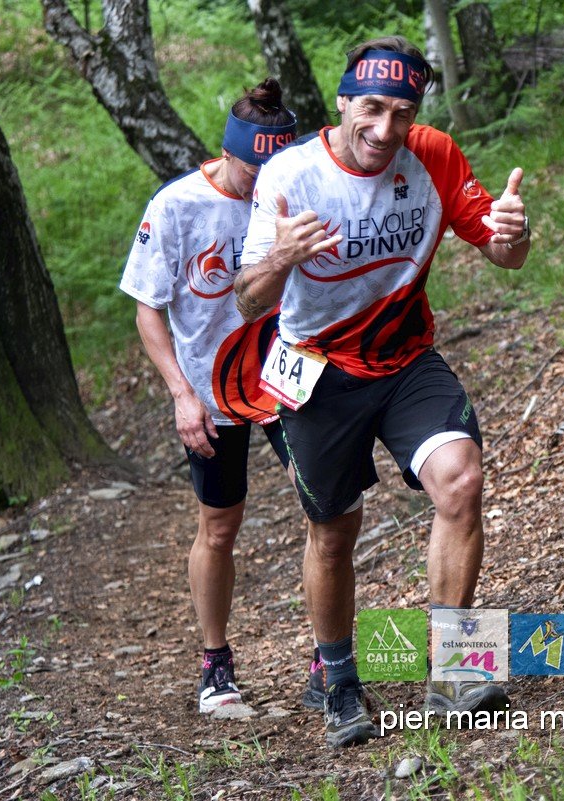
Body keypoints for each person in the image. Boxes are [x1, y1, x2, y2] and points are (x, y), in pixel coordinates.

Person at [233, 36, 530, 747]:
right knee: (335, 530)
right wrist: (281, 257)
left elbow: (503, 253)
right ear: (342, 102)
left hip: (404, 357)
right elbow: (247, 299)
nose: (385, 129)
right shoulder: (290, 174)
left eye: (402, 112)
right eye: (370, 108)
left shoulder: (433, 155)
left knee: (461, 480)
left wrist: (514, 233)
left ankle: (457, 669)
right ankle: (338, 678)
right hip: (317, 367)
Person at [119, 79, 299, 714]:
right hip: (211, 388)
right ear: (227, 153)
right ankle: (215, 663)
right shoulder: (176, 206)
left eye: (274, 170)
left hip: (286, 376)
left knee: (327, 507)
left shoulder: (294, 189)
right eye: (254, 170)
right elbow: (147, 308)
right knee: (219, 526)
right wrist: (180, 394)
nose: (263, 183)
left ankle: (328, 655)